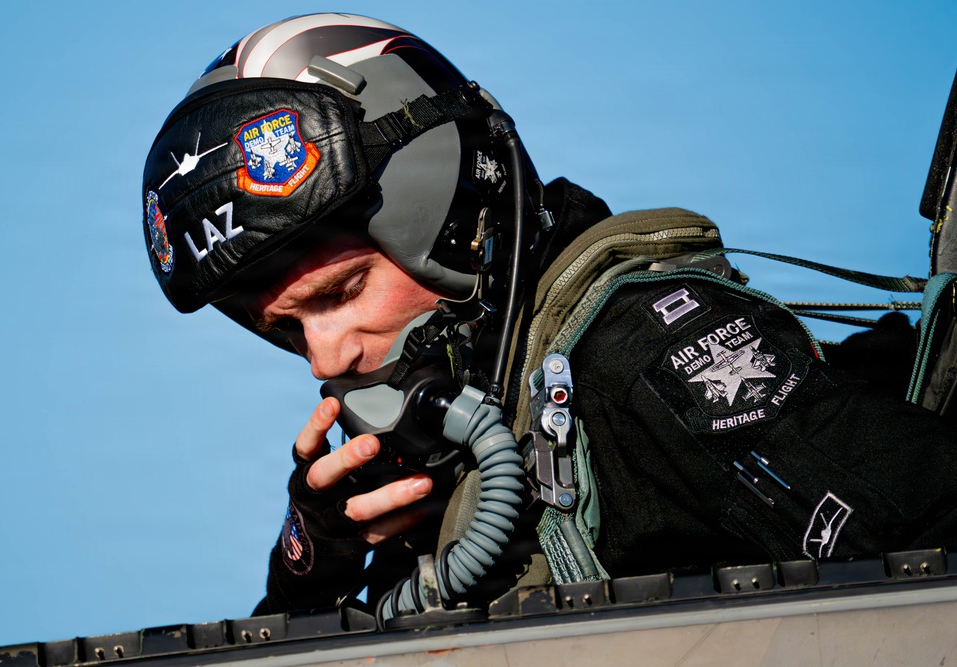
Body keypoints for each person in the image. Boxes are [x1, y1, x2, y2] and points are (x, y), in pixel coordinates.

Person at [142, 14, 956, 619]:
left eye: (339, 292)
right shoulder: (493, 412)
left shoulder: (638, 356)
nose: (326, 357)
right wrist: (313, 567)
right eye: (286, 329)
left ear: (450, 222)